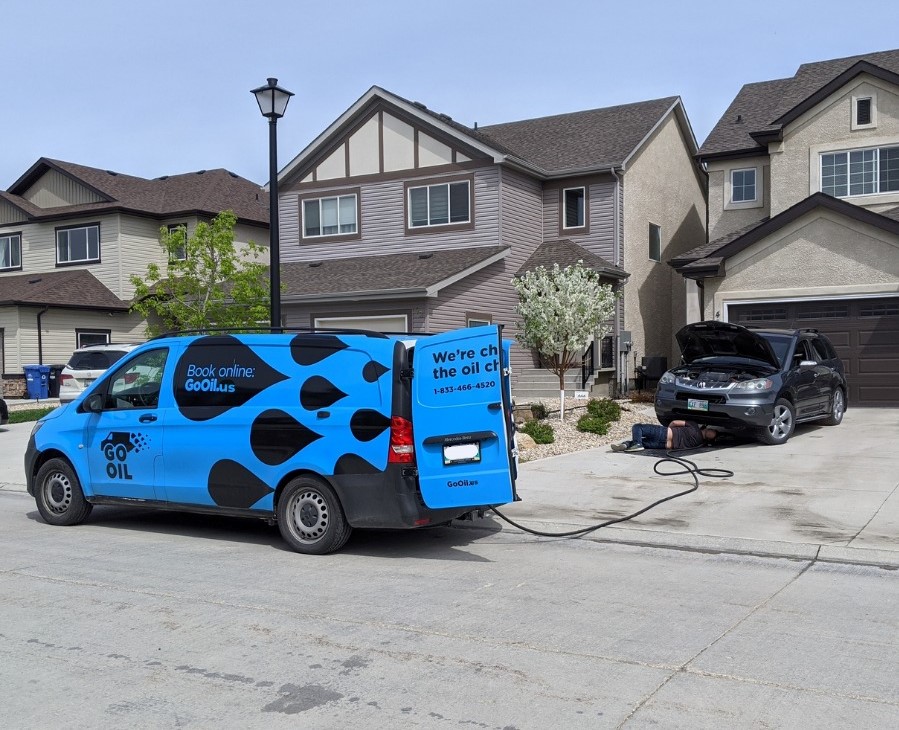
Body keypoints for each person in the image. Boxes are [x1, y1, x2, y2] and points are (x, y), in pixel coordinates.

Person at [611, 420, 717, 452]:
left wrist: (668, 429)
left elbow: (675, 422)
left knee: (638, 427)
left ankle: (637, 444)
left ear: (707, 429)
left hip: (664, 433)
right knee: (643, 443)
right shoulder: (698, 444)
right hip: (664, 446)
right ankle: (626, 445)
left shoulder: (694, 426)